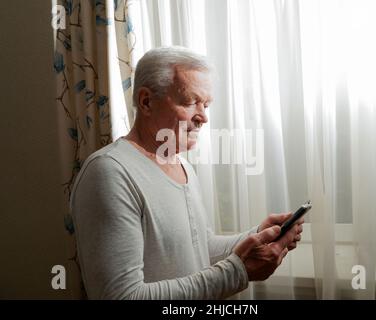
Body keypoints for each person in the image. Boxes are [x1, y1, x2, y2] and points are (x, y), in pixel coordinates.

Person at [70, 46, 303, 299]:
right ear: (146, 102)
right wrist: (238, 271)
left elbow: (200, 248)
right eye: (191, 101)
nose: (203, 117)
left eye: (206, 104)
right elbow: (122, 296)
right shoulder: (109, 173)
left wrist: (256, 235)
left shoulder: (183, 167)